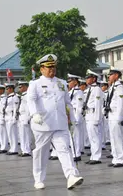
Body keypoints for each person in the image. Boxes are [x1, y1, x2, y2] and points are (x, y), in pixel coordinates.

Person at [27, 54, 83, 189]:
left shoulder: (62, 83)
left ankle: (71, 176)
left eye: (53, 67)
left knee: (65, 149)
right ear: (41, 69)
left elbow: (68, 103)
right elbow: (31, 100)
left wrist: (73, 120)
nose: (52, 70)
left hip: (60, 123)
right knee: (41, 153)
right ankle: (39, 179)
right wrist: (34, 114)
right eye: (48, 67)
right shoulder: (35, 84)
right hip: (43, 124)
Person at [106, 67, 123, 168]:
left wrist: (119, 117)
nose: (109, 77)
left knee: (118, 137)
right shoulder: (112, 87)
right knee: (113, 137)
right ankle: (115, 158)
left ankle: (120, 159)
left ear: (116, 76)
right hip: (111, 114)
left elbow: (121, 103)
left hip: (116, 115)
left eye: (111, 75)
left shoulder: (119, 88)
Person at [84, 69, 104, 165]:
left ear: (94, 79)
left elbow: (98, 105)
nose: (87, 79)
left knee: (95, 137)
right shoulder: (89, 89)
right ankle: (93, 155)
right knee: (92, 137)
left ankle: (96, 157)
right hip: (88, 115)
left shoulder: (97, 90)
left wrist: (97, 118)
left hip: (93, 115)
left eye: (89, 77)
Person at [67, 74, 85, 162]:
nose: (69, 83)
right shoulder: (71, 92)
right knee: (72, 137)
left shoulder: (79, 92)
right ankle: (74, 153)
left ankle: (77, 154)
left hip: (75, 117)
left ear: (75, 81)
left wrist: (77, 118)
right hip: (71, 116)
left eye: (70, 81)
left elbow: (79, 106)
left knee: (76, 136)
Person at [4, 83, 20, 155]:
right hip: (7, 117)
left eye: (7, 89)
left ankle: (14, 149)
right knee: (9, 134)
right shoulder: (8, 97)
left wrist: (14, 118)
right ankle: (11, 148)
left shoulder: (15, 97)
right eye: (6, 89)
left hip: (11, 117)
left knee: (13, 134)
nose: (6, 90)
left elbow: (15, 108)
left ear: (11, 89)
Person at [17, 81, 32, 157]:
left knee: (26, 135)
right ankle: (23, 150)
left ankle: (27, 150)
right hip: (21, 117)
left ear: (26, 87)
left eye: (21, 86)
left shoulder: (27, 95)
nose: (20, 88)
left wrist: (28, 118)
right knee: (22, 135)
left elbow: (29, 108)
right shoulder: (22, 95)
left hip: (25, 116)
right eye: (19, 87)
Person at [0, 85, 8, 154]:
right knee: (0, 133)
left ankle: (4, 147)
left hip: (2, 117)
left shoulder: (4, 98)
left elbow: (4, 109)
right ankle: (2, 146)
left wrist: (3, 118)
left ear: (3, 90)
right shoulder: (0, 98)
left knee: (3, 133)